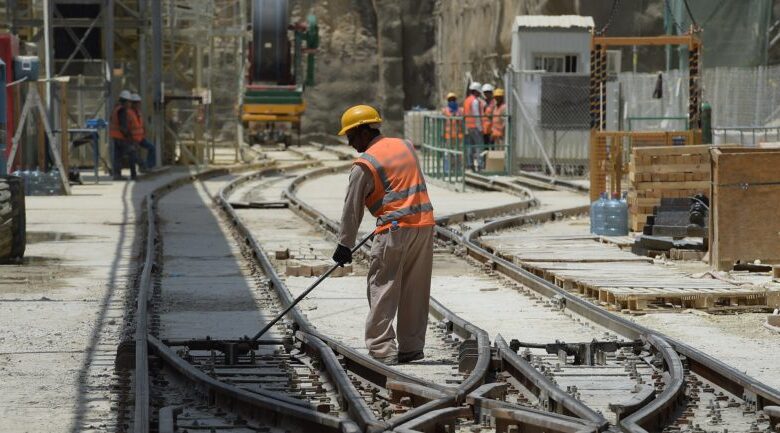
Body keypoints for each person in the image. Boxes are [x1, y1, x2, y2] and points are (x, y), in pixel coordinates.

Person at [332, 104, 435, 366]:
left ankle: (382, 349)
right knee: (415, 289)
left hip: (394, 231)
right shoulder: (405, 146)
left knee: (382, 285)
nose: (350, 143)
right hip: (424, 225)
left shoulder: (364, 163)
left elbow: (351, 207)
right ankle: (411, 348)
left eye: (351, 137)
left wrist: (345, 244)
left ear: (363, 131)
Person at [108, 90, 138, 180]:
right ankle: (134, 174)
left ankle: (117, 175)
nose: (130, 104)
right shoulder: (122, 110)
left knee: (118, 156)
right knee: (132, 153)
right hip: (121, 137)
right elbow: (123, 125)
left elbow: (111, 119)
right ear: (125, 101)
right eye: (129, 102)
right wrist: (129, 137)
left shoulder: (116, 108)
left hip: (115, 136)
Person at [129, 93, 156, 171]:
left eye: (139, 103)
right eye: (136, 103)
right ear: (132, 103)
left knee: (152, 148)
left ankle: (148, 166)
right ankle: (142, 166)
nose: (138, 105)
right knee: (133, 154)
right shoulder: (129, 113)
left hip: (140, 138)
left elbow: (140, 126)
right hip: (132, 138)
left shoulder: (138, 113)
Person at [462, 82, 484, 170]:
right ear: (475, 91)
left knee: (470, 147)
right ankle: (480, 165)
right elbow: (476, 115)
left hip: (468, 127)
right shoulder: (475, 101)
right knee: (479, 146)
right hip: (475, 127)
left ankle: (470, 164)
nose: (479, 94)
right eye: (479, 92)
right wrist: (480, 127)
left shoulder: (467, 100)